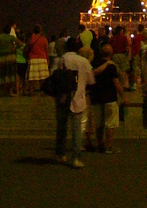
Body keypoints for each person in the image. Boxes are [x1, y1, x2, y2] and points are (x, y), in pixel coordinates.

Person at [54, 37, 95, 168]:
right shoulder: (84, 61)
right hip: (78, 97)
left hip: (62, 97)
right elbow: (91, 80)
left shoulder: (61, 60)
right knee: (77, 129)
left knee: (61, 127)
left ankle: (61, 154)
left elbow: (53, 75)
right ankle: (76, 158)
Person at [91, 44, 127, 153]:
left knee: (99, 123)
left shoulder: (94, 63)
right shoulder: (111, 66)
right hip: (109, 97)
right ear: (111, 54)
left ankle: (100, 144)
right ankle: (109, 146)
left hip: (96, 97)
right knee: (110, 123)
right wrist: (123, 96)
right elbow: (116, 82)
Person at [0, 25, 22, 96]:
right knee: (10, 75)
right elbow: (20, 44)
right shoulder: (11, 37)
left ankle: (1, 91)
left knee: (1, 74)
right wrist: (14, 48)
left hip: (1, 57)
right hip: (10, 57)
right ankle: (9, 91)